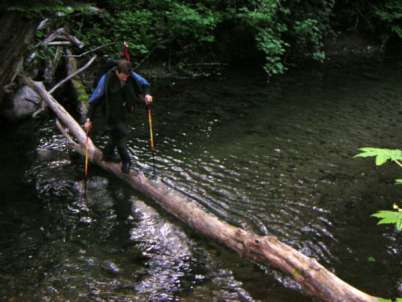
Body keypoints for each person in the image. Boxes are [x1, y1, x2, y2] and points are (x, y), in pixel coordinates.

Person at [84, 59, 153, 174]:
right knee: (122, 133)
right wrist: (88, 119)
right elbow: (95, 100)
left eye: (128, 76)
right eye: (124, 76)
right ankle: (126, 161)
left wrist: (147, 94)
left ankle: (107, 155)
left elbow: (144, 84)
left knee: (116, 134)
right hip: (110, 111)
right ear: (117, 72)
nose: (126, 78)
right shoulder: (106, 79)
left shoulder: (130, 74)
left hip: (124, 109)